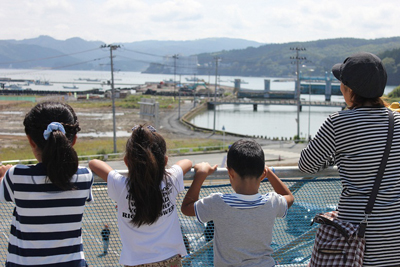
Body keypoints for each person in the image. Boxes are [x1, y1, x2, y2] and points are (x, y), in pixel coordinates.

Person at [298, 52, 400, 266]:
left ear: (349, 89)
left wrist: (337, 155)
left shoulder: (339, 123)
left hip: (357, 238)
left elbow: (306, 165)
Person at [0, 101, 93, 267]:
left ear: (31, 140)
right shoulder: (84, 177)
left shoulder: (16, 176)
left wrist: (3, 174)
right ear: (73, 140)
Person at [89, 125, 192, 267]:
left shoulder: (121, 185)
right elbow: (187, 162)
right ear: (165, 161)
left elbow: (94, 163)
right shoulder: (170, 180)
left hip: (135, 262)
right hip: (171, 259)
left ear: (126, 161)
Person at [181, 139, 294, 267]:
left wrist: (201, 174)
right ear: (262, 175)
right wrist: (269, 173)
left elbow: (186, 208)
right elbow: (289, 197)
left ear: (230, 172)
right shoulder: (272, 202)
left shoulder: (218, 203)